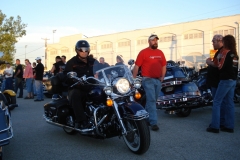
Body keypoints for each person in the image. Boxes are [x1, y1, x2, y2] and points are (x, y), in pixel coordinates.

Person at [132, 34, 167, 131]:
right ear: (149, 42)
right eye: (153, 40)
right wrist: (133, 79)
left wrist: (163, 76)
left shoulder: (160, 53)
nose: (155, 42)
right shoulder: (143, 52)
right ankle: (153, 123)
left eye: (156, 40)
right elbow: (136, 66)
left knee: (152, 100)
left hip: (157, 80)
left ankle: (145, 119)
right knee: (151, 100)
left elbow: (164, 65)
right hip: (147, 80)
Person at [206, 35, 238, 133]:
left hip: (225, 80)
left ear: (225, 42)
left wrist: (210, 62)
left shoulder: (225, 53)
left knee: (217, 102)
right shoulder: (234, 54)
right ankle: (229, 126)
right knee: (229, 103)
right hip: (232, 80)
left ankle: (215, 126)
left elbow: (219, 66)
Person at [64, 40, 99, 129]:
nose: (84, 52)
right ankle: (81, 121)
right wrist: (74, 80)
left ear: (89, 50)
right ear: (77, 50)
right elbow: (66, 76)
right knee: (75, 95)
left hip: (91, 86)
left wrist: (112, 72)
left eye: (86, 49)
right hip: (77, 87)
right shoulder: (71, 62)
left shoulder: (93, 61)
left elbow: (103, 69)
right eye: (81, 50)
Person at [206, 34, 226, 126]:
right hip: (215, 81)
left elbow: (217, 65)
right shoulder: (218, 52)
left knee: (218, 103)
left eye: (213, 41)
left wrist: (209, 62)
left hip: (218, 82)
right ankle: (222, 122)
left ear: (219, 41)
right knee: (221, 102)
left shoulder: (222, 52)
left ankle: (216, 124)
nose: (212, 43)